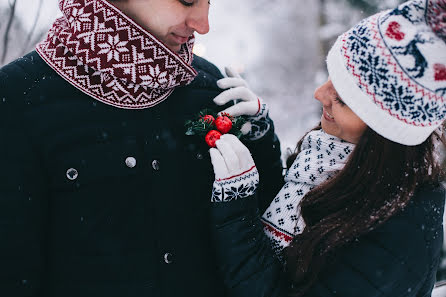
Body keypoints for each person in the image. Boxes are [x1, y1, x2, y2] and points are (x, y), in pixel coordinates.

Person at [0, 0, 283, 296]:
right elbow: (12, 271)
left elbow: (261, 238)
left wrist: (259, 141)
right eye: (187, 1)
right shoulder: (16, 101)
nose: (203, 24)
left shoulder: (211, 90)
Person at [208, 0, 446, 296]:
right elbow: (292, 215)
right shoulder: (336, 158)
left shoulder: (396, 237)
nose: (318, 93)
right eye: (330, 78)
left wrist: (237, 209)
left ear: (383, 131)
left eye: (343, 99)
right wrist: (260, 138)